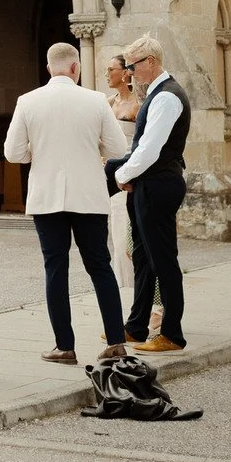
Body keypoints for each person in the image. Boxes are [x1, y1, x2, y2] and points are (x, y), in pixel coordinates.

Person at [2, 43, 129, 365]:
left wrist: (38, 153)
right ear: (76, 68)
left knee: (56, 269)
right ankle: (116, 341)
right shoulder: (96, 100)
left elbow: (13, 153)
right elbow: (117, 147)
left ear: (49, 69)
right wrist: (91, 146)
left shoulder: (27, 101)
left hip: (46, 197)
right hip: (88, 194)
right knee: (100, 266)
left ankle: (65, 346)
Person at [112, 35, 190, 354]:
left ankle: (171, 333)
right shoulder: (157, 93)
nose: (129, 72)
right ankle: (136, 326)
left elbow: (149, 149)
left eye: (132, 66)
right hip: (148, 183)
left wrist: (121, 175)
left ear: (151, 62)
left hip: (159, 184)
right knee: (143, 259)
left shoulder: (167, 97)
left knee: (163, 260)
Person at [104, 50, 141, 290]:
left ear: (125, 73)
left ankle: (133, 288)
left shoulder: (138, 104)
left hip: (129, 176)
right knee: (115, 238)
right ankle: (122, 288)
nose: (107, 74)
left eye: (111, 70)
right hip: (109, 177)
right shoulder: (107, 103)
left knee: (126, 238)